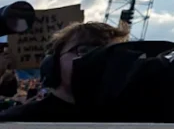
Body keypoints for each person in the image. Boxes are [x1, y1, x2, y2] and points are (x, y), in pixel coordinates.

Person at [0, 21, 128, 122]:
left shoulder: (132, 117)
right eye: (84, 50)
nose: (99, 58)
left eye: (110, 52)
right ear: (53, 63)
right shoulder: (17, 121)